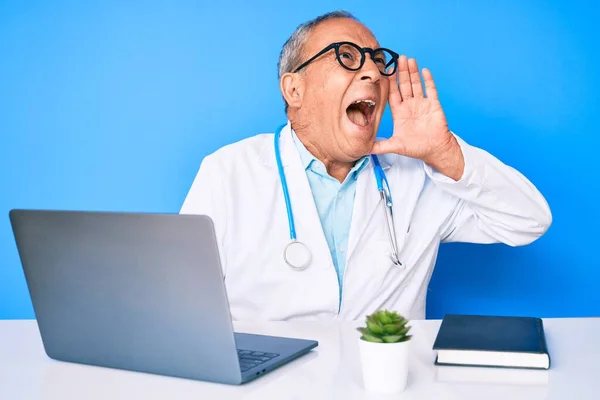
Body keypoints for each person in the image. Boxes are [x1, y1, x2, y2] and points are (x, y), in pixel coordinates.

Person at [180, 11, 552, 321]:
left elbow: (530, 221)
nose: (373, 73)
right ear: (294, 90)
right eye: (346, 56)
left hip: (384, 382)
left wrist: (445, 152)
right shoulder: (228, 172)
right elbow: (184, 307)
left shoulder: (418, 177)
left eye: (378, 60)